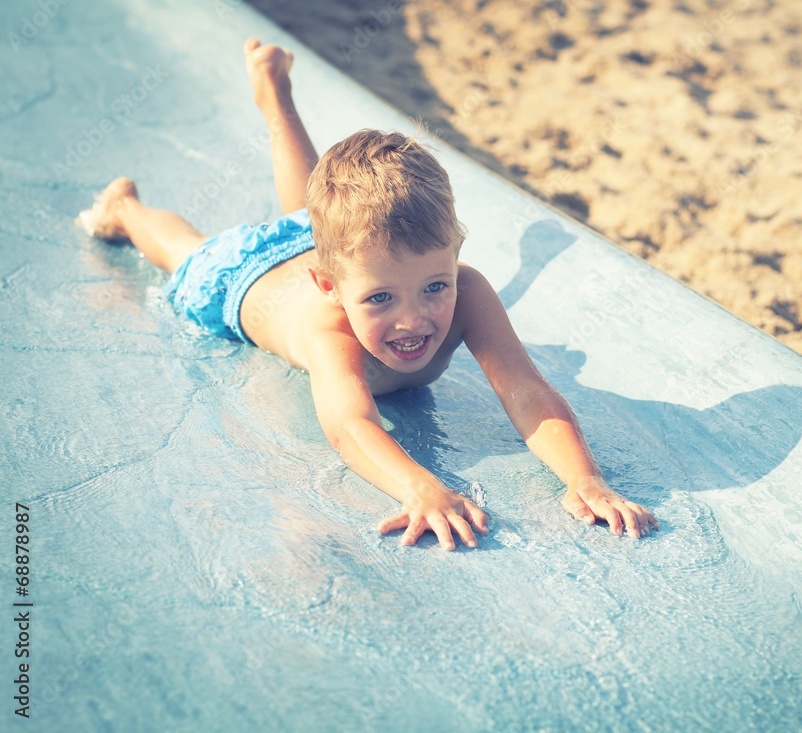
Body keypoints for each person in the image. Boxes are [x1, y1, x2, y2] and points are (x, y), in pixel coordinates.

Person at [76, 38, 658, 550]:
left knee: (310, 215)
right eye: (381, 300)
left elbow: (528, 392)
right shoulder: (330, 330)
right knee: (185, 250)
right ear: (329, 287)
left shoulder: (454, 287)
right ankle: (125, 208)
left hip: (330, 248)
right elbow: (351, 424)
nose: (413, 319)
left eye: (436, 285)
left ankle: (274, 90)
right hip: (243, 279)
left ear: (456, 261)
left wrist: (584, 479)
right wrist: (419, 486)